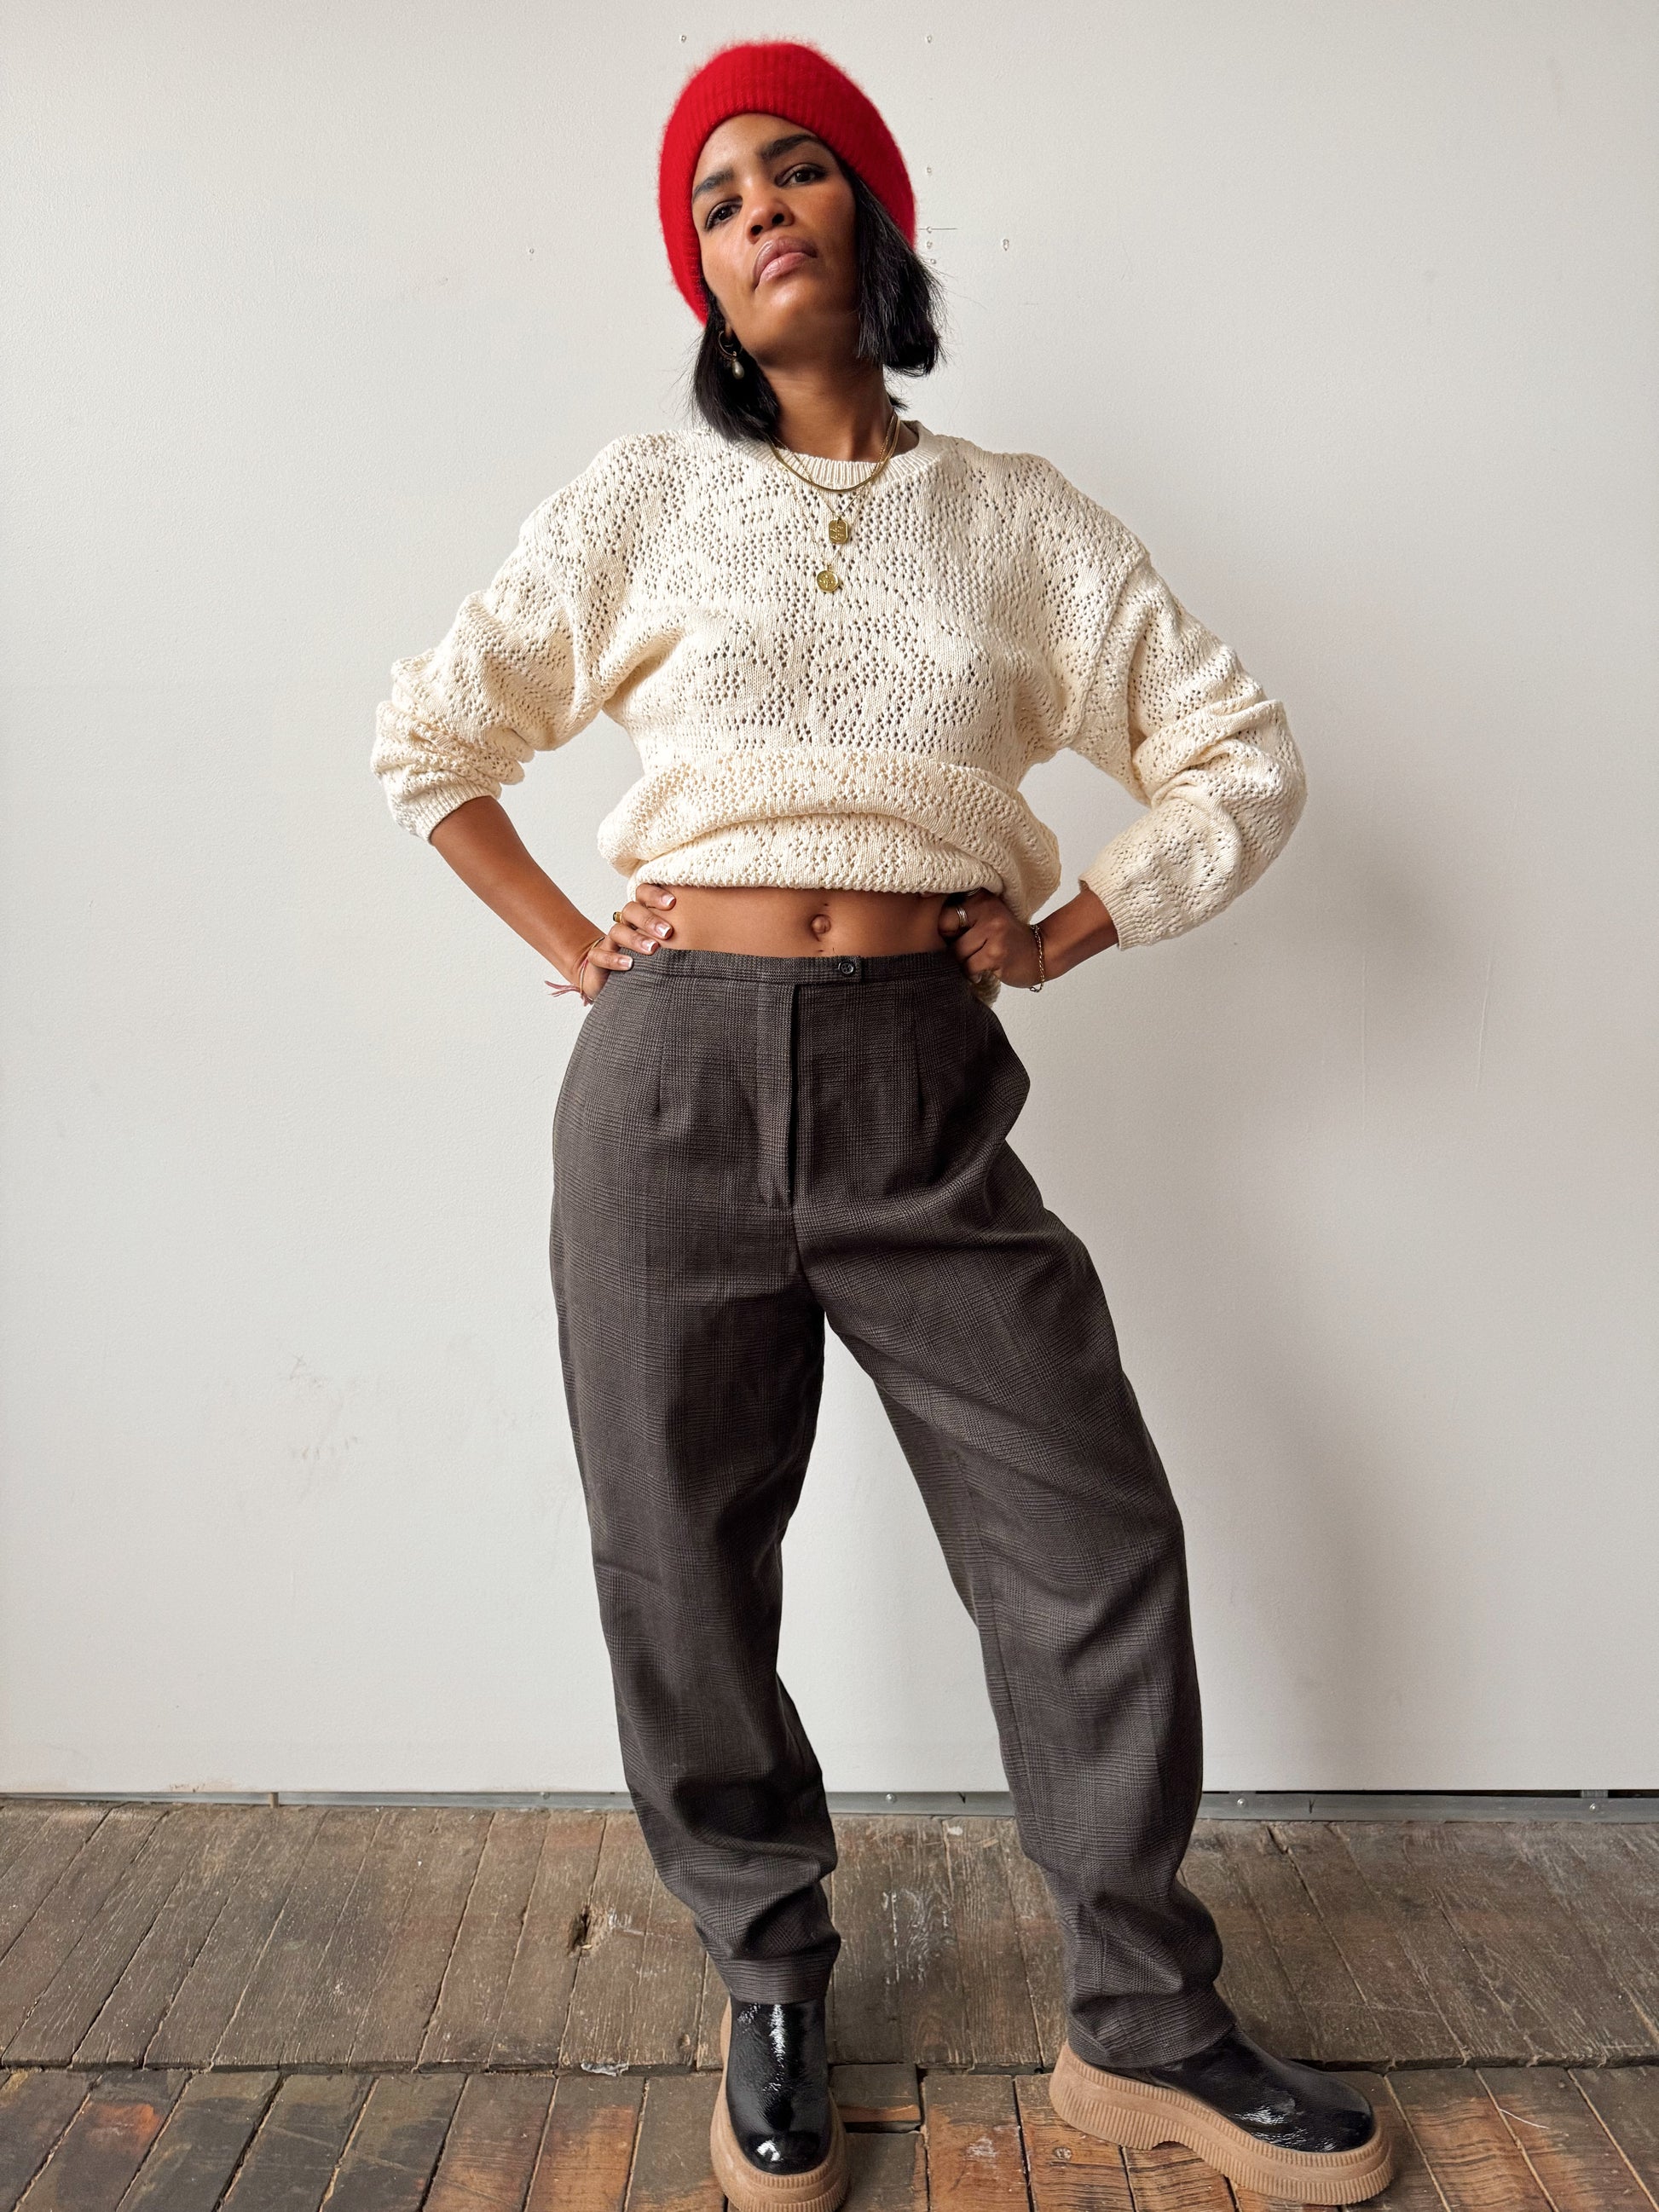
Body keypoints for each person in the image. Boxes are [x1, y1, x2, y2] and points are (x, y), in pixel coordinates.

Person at [371, 38, 1393, 2209]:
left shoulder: (1017, 518)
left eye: (796, 168)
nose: (756, 208)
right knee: (678, 1554)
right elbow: (431, 738)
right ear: (701, 274)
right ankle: (767, 1974)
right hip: (666, 1081)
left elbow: (1238, 749)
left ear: (873, 217)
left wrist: (1075, 922)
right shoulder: (639, 499)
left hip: (920, 1074)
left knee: (1087, 1531)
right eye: (715, 195)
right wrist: (580, 946)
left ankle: (1142, 2021)